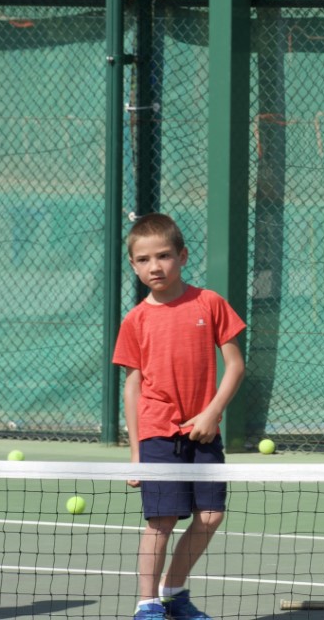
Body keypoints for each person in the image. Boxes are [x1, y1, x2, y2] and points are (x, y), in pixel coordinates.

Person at [112, 213, 246, 620]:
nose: (155, 266)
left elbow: (236, 365)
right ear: (133, 265)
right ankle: (147, 603)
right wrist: (135, 453)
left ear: (183, 256)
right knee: (162, 520)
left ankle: (172, 592)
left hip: (203, 431)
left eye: (164, 256)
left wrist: (212, 413)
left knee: (211, 515)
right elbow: (132, 387)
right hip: (157, 432)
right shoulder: (135, 320)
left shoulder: (210, 303)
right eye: (143, 259)